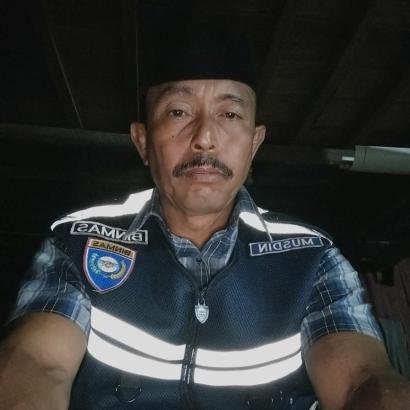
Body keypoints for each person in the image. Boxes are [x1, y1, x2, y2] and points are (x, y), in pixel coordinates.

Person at [1, 27, 410, 410]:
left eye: (229, 115)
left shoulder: (311, 258)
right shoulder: (79, 240)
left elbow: (362, 379)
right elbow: (36, 362)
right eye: (178, 112)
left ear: (254, 143)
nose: (205, 138)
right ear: (143, 141)